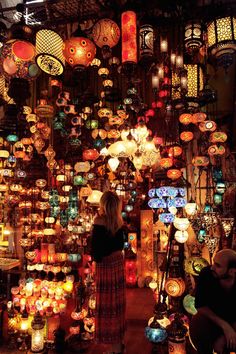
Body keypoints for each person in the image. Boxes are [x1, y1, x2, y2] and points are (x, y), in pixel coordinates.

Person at [91, 190, 126, 354]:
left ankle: (114, 349)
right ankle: (117, 347)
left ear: (103, 204)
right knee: (116, 306)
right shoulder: (119, 222)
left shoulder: (99, 221)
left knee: (106, 307)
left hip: (105, 266)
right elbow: (120, 245)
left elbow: (96, 252)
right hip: (117, 263)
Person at [189, 248, 236, 354]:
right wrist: (225, 326)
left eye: (218, 265)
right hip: (213, 320)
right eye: (214, 262)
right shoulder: (206, 274)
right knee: (198, 322)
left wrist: (225, 336)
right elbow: (200, 306)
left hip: (234, 321)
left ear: (232, 271)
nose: (212, 267)